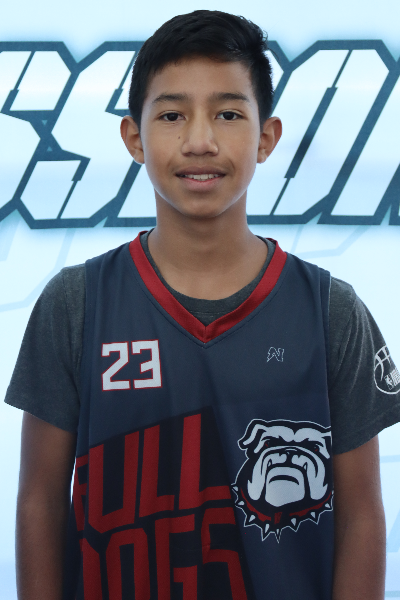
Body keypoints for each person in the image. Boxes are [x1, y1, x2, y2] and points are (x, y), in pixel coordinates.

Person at [6, 10, 400, 600]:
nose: (199, 141)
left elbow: (362, 515)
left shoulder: (331, 312)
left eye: (228, 114)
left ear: (266, 137)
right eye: (172, 115)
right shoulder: (75, 303)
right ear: (134, 138)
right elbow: (39, 501)